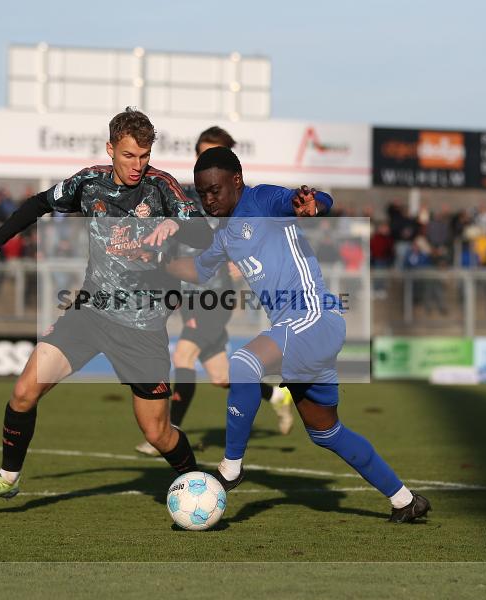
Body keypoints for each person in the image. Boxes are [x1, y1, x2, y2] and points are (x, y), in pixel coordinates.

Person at [0, 108, 213, 503]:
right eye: (129, 156)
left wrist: (177, 224)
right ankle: (8, 477)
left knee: (157, 432)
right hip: (89, 312)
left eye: (144, 156)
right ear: (111, 149)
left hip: (141, 325)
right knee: (24, 391)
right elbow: (37, 203)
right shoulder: (89, 182)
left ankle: (198, 483)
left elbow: (204, 234)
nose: (137, 165)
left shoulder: (162, 187)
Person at [163, 147, 431, 523]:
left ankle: (230, 469)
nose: (209, 199)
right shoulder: (223, 236)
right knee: (327, 432)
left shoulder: (260, 198)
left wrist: (312, 204)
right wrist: (154, 260)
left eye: (215, 190)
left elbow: (309, 199)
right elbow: (198, 270)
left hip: (313, 317)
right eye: (202, 192)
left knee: (243, 363)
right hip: (301, 332)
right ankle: (405, 500)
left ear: (236, 182)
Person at [133, 126, 293, 457]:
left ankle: (165, 433)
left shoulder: (232, 200)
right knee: (221, 376)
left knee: (183, 356)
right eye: (203, 153)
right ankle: (276, 395)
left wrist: (241, 259)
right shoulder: (182, 197)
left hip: (215, 295)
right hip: (190, 295)